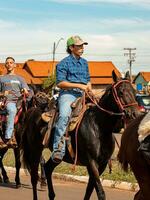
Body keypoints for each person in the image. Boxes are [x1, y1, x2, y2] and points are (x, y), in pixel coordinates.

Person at [51, 35, 92, 163]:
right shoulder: (63, 63)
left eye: (82, 45)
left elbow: (88, 80)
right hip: (68, 94)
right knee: (64, 116)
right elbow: (60, 83)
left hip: (84, 93)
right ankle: (58, 148)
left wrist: (89, 87)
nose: (82, 48)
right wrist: (79, 85)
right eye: (79, 46)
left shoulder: (84, 62)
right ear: (71, 47)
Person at [0, 57, 30, 147]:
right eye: (7, 63)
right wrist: (2, 94)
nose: (9, 64)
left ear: (15, 65)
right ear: (5, 65)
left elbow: (26, 91)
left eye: (11, 63)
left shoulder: (20, 78)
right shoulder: (1, 78)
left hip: (20, 101)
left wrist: (25, 91)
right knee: (12, 110)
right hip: (8, 101)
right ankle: (8, 137)